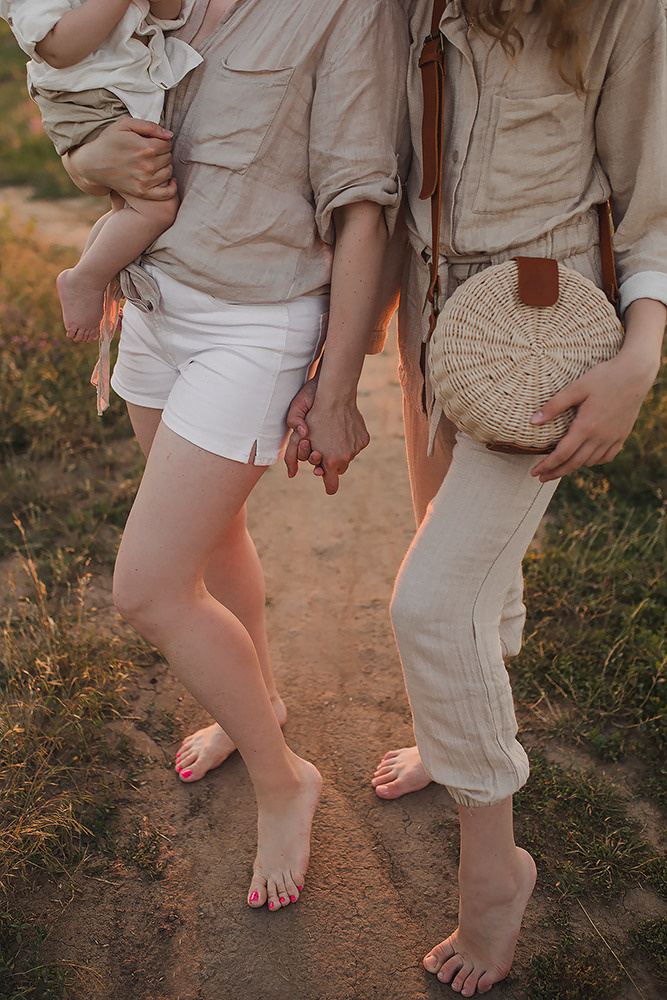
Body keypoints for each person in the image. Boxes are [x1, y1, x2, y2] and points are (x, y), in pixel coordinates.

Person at [288, 0, 667, 992]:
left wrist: (640, 356)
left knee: (431, 602)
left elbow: (654, 197)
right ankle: (443, 729)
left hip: (544, 327)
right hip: (435, 315)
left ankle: (496, 867)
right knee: (465, 563)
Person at [61, 0, 410, 911]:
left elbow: (363, 204)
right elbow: (85, 115)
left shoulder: (343, 10)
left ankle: (282, 777)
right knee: (217, 544)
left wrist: (334, 388)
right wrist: (79, 159)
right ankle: (253, 704)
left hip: (255, 324)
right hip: (152, 305)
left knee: (146, 588)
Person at [0, 0, 204, 344]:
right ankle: (85, 281)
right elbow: (59, 49)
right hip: (87, 98)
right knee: (156, 208)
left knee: (128, 210)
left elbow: (167, 15)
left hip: (117, 93)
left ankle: (97, 275)